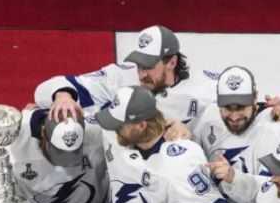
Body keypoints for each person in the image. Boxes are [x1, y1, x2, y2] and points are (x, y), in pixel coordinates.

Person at [97, 86, 235, 203]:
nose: (114, 129)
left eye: (119, 125)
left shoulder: (179, 162)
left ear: (141, 125)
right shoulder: (117, 136)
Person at [37, 25, 217, 130]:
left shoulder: (207, 87)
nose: (141, 74)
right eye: (139, 64)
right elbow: (45, 90)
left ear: (172, 62)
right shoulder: (121, 76)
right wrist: (62, 95)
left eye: (149, 66)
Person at [9, 107, 109, 203]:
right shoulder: (13, 141)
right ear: (43, 132)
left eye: (73, 152)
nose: (64, 164)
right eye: (58, 152)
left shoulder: (99, 133)